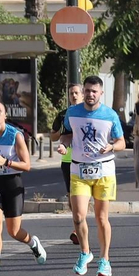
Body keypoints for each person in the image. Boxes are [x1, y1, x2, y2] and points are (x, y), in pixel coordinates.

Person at [60, 76, 126, 276]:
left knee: (101, 217)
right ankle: (85, 253)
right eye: (87, 90)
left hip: (103, 170)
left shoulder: (110, 115)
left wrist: (112, 146)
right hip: (79, 169)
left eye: (94, 91)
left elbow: (122, 142)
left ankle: (104, 260)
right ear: (83, 91)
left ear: (101, 93)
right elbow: (67, 133)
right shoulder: (72, 112)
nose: (90, 94)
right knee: (78, 216)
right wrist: (63, 144)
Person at [0, 101, 47, 276]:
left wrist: (6, 162)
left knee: (13, 231)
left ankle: (33, 243)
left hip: (12, 182)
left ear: (5, 115)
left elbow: (27, 165)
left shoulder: (15, 135)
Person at [51, 83, 83, 244]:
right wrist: (61, 133)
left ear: (82, 94)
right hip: (67, 160)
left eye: (77, 93)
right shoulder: (63, 115)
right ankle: (77, 225)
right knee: (72, 198)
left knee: (81, 196)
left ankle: (79, 227)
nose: (74, 96)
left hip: (85, 159)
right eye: (71, 93)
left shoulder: (89, 114)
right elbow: (53, 136)